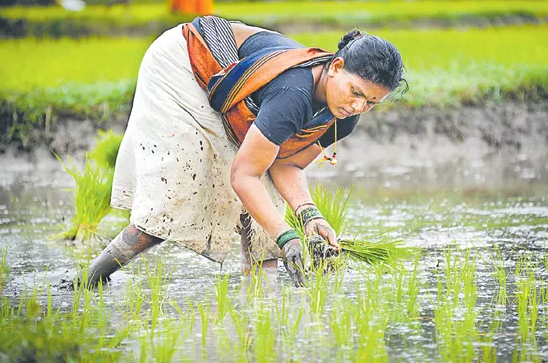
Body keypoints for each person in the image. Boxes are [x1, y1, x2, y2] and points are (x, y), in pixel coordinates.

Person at [85, 16, 405, 288]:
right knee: (177, 192)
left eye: (371, 102)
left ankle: (260, 309)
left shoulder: (342, 118)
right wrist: (284, 234)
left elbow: (287, 164)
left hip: (237, 93)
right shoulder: (293, 93)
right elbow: (243, 174)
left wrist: (309, 216)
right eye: (356, 93)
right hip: (186, 62)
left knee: (267, 205)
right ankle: (88, 281)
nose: (358, 106)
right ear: (336, 67)